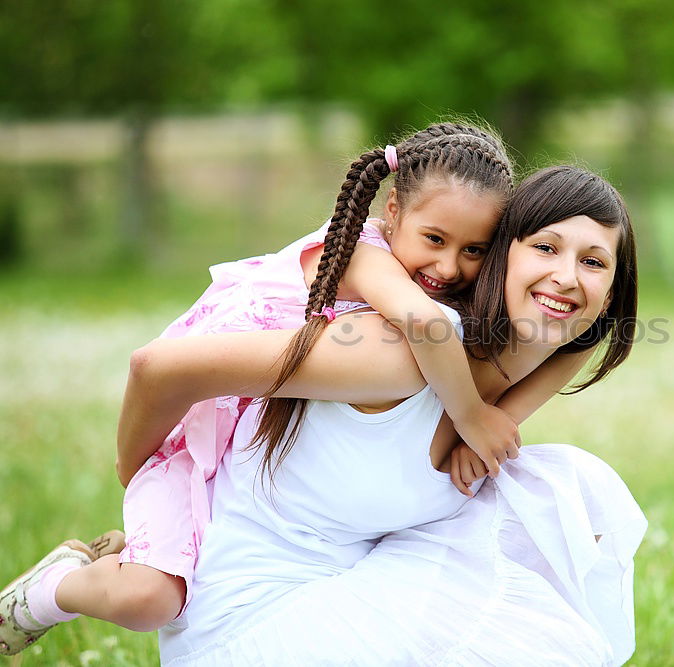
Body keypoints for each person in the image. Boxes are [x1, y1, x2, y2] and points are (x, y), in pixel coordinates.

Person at [0, 121, 528, 652]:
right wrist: (470, 415)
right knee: (150, 598)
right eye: (434, 239)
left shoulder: (412, 267)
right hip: (193, 435)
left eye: (474, 251)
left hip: (242, 450)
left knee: (184, 566)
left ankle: (126, 554)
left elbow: (566, 335)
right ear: (392, 211)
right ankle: (46, 593)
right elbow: (426, 323)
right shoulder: (364, 255)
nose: (448, 266)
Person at [140, 166, 644, 665]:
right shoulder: (397, 354)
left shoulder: (538, 364)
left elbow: (585, 335)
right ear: (499, 253)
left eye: (594, 262)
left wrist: (483, 421)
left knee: (568, 487)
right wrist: (138, 473)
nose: (566, 276)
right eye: (546, 247)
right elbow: (160, 366)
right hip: (249, 621)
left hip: (349, 579)